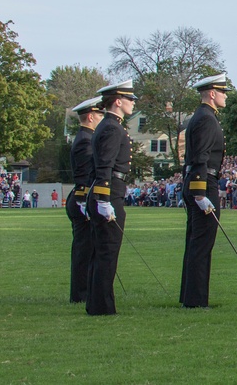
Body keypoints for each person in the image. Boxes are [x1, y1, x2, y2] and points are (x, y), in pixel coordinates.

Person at [86, 81, 137, 316]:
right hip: (110, 191)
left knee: (103, 251)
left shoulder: (110, 126)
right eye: (129, 98)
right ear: (118, 101)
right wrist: (103, 199)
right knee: (107, 251)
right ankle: (102, 306)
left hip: (110, 190)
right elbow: (104, 165)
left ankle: (98, 303)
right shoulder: (111, 128)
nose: (133, 102)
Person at [180, 73, 229, 308]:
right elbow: (200, 157)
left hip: (199, 181)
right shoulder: (207, 119)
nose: (225, 96)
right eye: (222, 91)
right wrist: (200, 193)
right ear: (212, 94)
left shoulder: (201, 117)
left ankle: (189, 295)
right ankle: (196, 299)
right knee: (201, 243)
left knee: (195, 242)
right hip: (203, 182)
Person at [67, 96, 102, 303]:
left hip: (82, 197)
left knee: (86, 248)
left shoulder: (85, 138)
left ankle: (83, 290)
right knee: (84, 250)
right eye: (99, 114)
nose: (101, 118)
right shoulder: (85, 140)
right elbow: (84, 175)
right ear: (90, 117)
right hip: (82, 198)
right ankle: (80, 293)